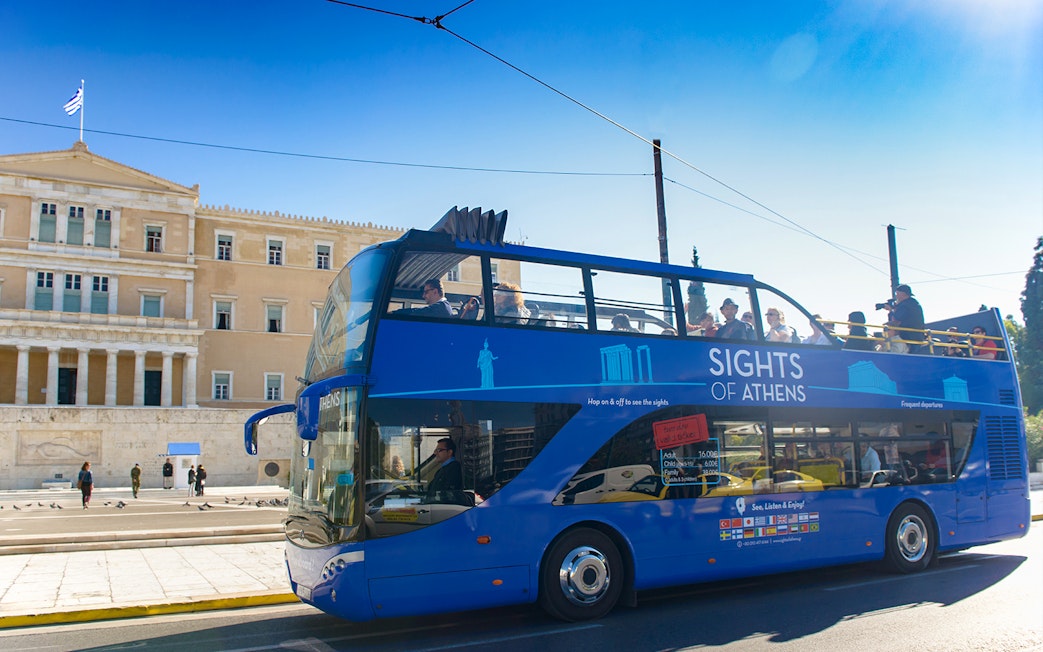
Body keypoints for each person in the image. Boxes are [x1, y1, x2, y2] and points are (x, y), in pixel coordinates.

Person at [427, 437, 466, 504]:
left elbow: (447, 493)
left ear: (449, 452)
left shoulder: (454, 468)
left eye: (439, 450)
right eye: (435, 450)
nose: (435, 453)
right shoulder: (443, 469)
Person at [888, 284, 925, 353]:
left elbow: (896, 318)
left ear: (903, 294)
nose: (896, 296)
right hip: (916, 336)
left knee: (909, 357)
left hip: (908, 337)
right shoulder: (913, 304)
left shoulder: (905, 305)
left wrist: (891, 310)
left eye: (897, 293)